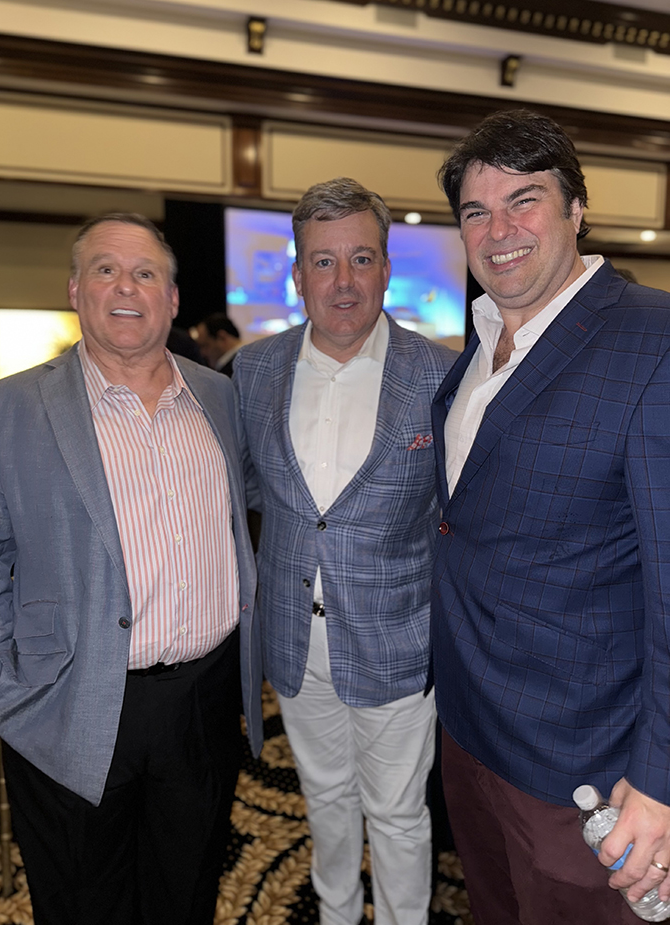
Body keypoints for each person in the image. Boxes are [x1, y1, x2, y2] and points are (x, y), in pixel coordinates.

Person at [0, 213, 263, 925]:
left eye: (145, 273)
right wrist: (2, 688)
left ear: (172, 298)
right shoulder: (4, 408)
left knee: (186, 896)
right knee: (82, 905)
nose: (125, 287)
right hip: (67, 702)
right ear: (76, 289)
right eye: (105, 269)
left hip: (204, 701)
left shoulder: (219, 396)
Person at [430, 108, 670, 925]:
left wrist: (661, 780)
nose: (498, 231)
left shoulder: (654, 341)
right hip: (470, 730)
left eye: (523, 200)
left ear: (576, 208)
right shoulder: (477, 344)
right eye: (476, 211)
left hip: (586, 766)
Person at [234, 177, 456, 925]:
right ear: (298, 274)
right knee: (324, 798)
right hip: (296, 640)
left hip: (397, 639)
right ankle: (335, 913)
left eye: (361, 259)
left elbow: (456, 513)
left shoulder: (439, 374)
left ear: (386, 268)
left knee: (396, 813)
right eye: (323, 262)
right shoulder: (254, 371)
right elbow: (253, 492)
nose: (343, 281)